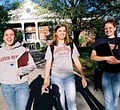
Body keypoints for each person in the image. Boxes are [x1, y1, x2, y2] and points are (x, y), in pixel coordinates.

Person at [42, 23, 87, 110]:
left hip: (69, 77)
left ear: (66, 33)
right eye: (60, 31)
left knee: (72, 102)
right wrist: (46, 81)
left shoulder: (71, 45)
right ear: (55, 33)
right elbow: (48, 65)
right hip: (56, 78)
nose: (62, 33)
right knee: (61, 103)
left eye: (64, 31)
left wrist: (83, 76)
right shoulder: (51, 47)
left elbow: (76, 61)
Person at [0, 28, 36, 110]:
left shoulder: (22, 50)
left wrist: (22, 70)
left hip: (22, 85)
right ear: (3, 37)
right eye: (6, 35)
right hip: (6, 86)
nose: (9, 37)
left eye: (11, 35)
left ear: (15, 37)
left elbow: (32, 65)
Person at [90, 19, 120, 110]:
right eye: (106, 28)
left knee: (115, 100)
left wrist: (118, 61)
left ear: (115, 28)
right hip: (105, 73)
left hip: (118, 74)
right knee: (108, 100)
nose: (108, 30)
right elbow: (93, 57)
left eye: (110, 28)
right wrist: (106, 58)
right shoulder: (100, 41)